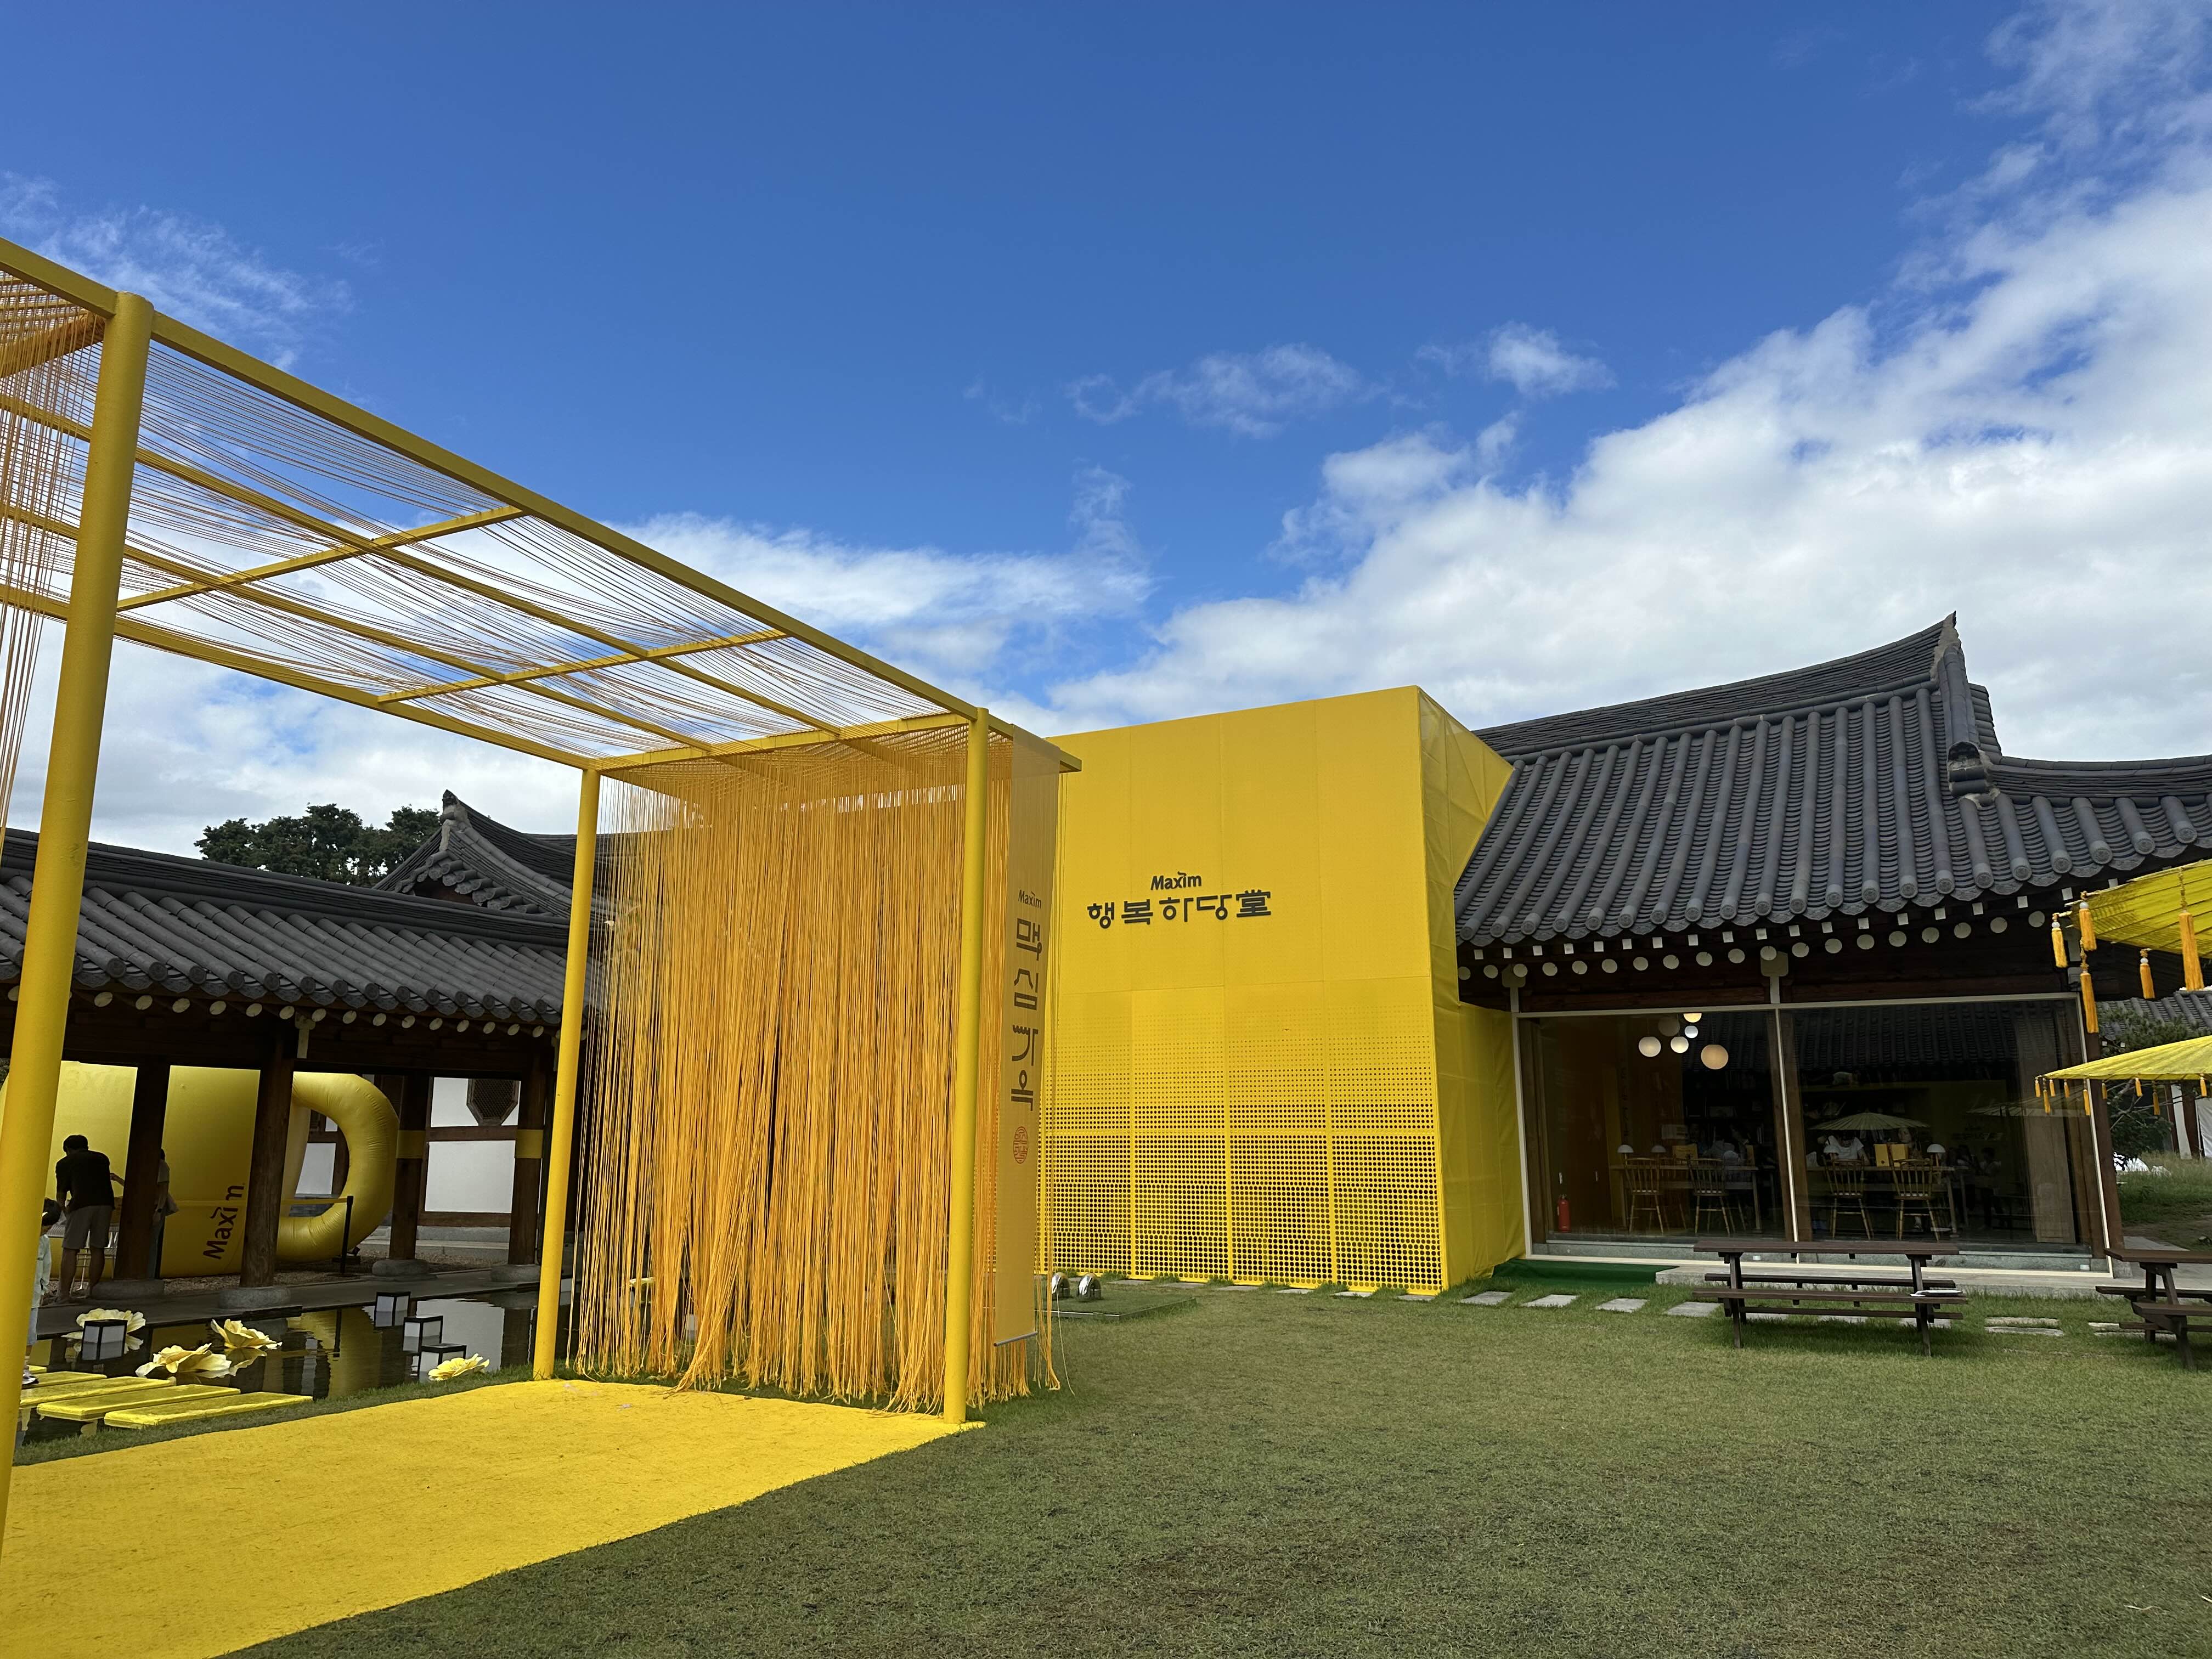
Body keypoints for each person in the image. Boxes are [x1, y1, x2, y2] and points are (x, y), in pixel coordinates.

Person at [53, 1133, 121, 1302]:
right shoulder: (102, 1159)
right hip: (106, 1204)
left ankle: (64, 1295)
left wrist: (64, 1210)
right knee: (98, 1248)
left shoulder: (65, 1163)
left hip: (81, 1204)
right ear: (87, 1146)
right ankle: (92, 1290)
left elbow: (61, 1194)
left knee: (71, 1249)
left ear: (67, 1149)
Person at [25, 1198, 60, 1385]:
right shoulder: (20, 1237)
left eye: (48, 1228)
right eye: (44, 1227)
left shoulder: (44, 1242)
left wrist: (43, 1288)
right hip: (14, 1296)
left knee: (30, 1335)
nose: (45, 1231)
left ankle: (23, 1370)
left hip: (33, 1296)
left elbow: (47, 1267)